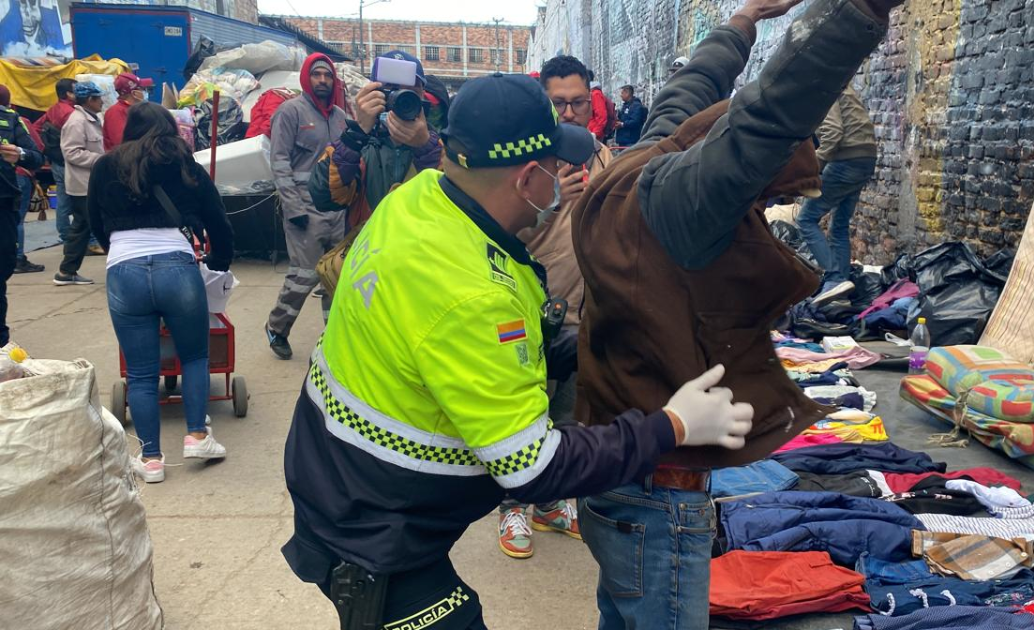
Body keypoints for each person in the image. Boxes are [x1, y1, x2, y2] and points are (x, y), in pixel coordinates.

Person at [281, 72, 752, 630]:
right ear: (529, 178)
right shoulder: (475, 295)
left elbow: (453, 356)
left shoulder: (416, 200)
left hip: (337, 484)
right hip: (372, 539)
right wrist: (673, 426)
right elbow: (533, 469)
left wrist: (584, 344)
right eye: (557, 166)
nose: (564, 177)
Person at [571, 0, 903, 627]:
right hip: (659, 491)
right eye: (767, 192)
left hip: (614, 465)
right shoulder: (683, 209)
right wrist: (857, 11)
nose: (768, 204)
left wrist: (744, 20)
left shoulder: (642, 165)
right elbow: (772, 111)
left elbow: (686, 93)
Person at [490, 55, 617, 560]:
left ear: (592, 103)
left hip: (584, 316)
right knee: (524, 416)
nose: (568, 112)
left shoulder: (604, 158)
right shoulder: (523, 166)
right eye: (557, 103)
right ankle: (513, 505)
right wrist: (551, 202)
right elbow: (499, 237)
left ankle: (550, 503)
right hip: (529, 315)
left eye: (577, 102)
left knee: (568, 418)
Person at [88, 102, 234, 483]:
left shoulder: (106, 166)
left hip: (123, 269)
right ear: (170, 127)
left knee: (139, 373)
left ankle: (150, 460)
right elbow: (217, 219)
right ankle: (198, 436)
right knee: (195, 357)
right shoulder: (185, 164)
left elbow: (95, 221)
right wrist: (220, 262)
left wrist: (119, 249)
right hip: (177, 266)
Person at [265, 53, 348, 360]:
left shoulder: (340, 117)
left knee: (335, 275)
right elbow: (280, 162)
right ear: (306, 78)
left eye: (327, 75)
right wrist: (293, 207)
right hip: (304, 208)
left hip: (337, 210)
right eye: (317, 75)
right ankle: (277, 327)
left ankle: (332, 339)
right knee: (305, 275)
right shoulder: (290, 112)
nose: (323, 81)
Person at [309, 50, 445, 229]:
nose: (399, 99)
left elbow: (451, 202)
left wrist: (424, 146)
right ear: (371, 92)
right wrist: (357, 133)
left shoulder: (439, 148)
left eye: (410, 92)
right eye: (390, 90)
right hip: (368, 249)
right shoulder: (359, 146)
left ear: (422, 97)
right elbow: (325, 198)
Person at [800, 85, 878, 304]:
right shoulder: (841, 83)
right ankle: (840, 290)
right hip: (865, 158)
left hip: (846, 160)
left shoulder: (822, 87)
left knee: (806, 219)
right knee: (840, 225)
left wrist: (813, 167)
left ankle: (834, 278)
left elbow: (833, 131)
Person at [0, 83, 45, 348]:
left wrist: (20, 154)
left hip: (3, 205)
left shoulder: (10, 119)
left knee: (2, 271)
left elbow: (37, 156)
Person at [55, 81, 106, 286]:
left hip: (92, 183)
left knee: (81, 227)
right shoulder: (76, 122)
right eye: (99, 98)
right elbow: (71, 152)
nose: (102, 101)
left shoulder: (94, 119)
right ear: (90, 100)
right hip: (82, 186)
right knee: (100, 226)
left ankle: (66, 272)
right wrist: (100, 159)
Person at [33, 78, 78, 245]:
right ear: (68, 93)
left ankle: (65, 234)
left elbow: (35, 128)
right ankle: (71, 236)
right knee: (77, 200)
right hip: (69, 162)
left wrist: (45, 150)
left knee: (63, 199)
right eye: (75, 90)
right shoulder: (70, 113)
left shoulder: (53, 110)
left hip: (57, 161)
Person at [103, 72, 154, 151]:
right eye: (142, 89)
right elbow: (122, 142)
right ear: (134, 93)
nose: (145, 92)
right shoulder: (116, 112)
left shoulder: (136, 109)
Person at [586, 73, 608, 140]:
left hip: (594, 135)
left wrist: (595, 133)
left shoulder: (595, 94)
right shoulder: (590, 93)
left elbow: (602, 116)